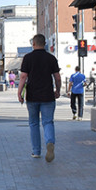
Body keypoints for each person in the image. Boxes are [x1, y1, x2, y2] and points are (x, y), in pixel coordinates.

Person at [17, 34, 61, 162]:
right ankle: (50, 142)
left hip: (32, 96)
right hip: (48, 96)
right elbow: (57, 77)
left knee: (34, 123)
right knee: (48, 122)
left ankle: (36, 151)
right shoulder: (51, 58)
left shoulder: (28, 58)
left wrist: (19, 93)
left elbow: (23, 77)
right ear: (45, 43)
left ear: (33, 44)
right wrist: (57, 90)